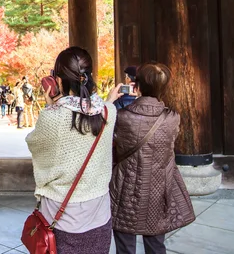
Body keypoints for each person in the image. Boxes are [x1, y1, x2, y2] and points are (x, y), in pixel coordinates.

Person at [26, 47, 120, 254]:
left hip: (63, 214)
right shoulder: (109, 111)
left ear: (58, 81)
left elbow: (34, 143)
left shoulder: (53, 117)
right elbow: (94, 112)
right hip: (99, 212)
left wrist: (50, 106)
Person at [110, 63, 195, 254]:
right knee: (156, 245)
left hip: (125, 189)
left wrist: (109, 101)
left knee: (125, 247)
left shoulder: (122, 116)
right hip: (159, 189)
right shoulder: (172, 117)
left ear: (136, 86)